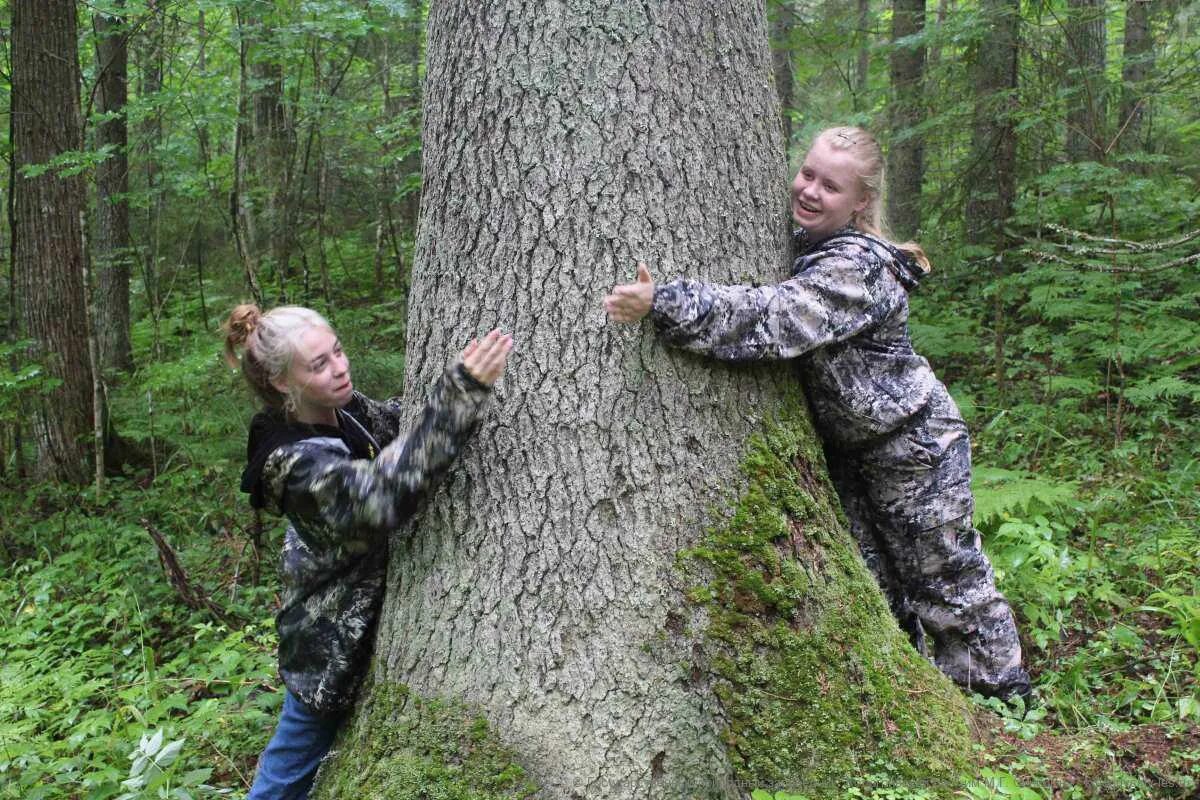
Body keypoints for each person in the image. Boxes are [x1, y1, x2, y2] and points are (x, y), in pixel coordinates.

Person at [603, 126, 1031, 701]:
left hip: (914, 448)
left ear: (861, 202)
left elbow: (781, 318)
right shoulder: (808, 244)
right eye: (806, 173)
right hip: (855, 449)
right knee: (874, 586)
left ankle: (1003, 705)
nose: (808, 190)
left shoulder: (856, 265)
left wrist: (667, 302)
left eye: (830, 186)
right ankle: (915, 699)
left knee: (947, 582)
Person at [223, 304, 513, 799]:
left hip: (364, 630)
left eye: (337, 351)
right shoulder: (293, 463)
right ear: (280, 383)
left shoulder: (341, 407)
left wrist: (448, 385)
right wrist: (460, 394)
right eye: (318, 365)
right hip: (326, 647)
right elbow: (380, 498)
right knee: (288, 772)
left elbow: (397, 424)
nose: (339, 367)